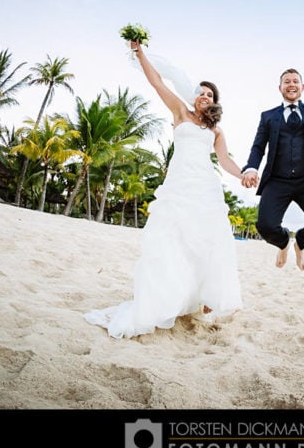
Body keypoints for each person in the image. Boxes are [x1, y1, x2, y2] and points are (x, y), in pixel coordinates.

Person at [84, 40, 244, 338]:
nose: (204, 97)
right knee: (171, 240)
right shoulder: (180, 112)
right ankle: (166, 298)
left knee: (208, 242)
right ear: (193, 96)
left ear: (214, 102)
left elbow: (225, 161)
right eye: (201, 92)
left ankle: (205, 303)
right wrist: (140, 53)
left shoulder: (215, 130)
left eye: (210, 95)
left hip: (206, 188)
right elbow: (156, 81)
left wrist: (244, 174)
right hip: (178, 185)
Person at [241, 68, 304, 271]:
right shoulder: (268, 117)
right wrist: (251, 168)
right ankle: (283, 243)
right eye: (286, 81)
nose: (291, 84)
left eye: (295, 81)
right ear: (280, 88)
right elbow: (258, 147)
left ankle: (301, 244)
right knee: (265, 226)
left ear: (302, 87)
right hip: (277, 180)